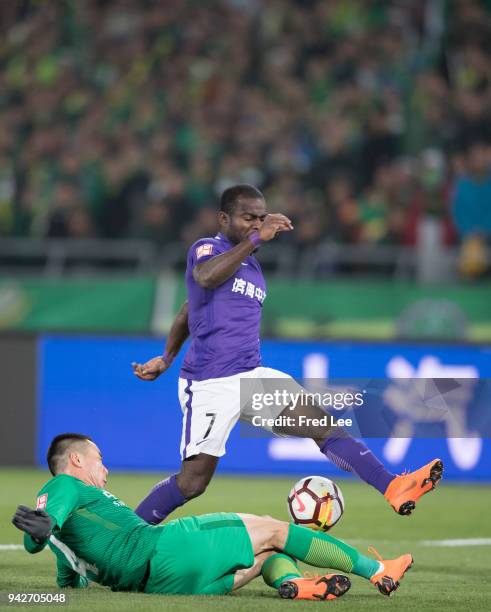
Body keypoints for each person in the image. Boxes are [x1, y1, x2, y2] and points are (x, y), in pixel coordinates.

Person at [132, 184, 443, 525]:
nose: (255, 224)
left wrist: (165, 356)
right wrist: (168, 358)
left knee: (325, 427)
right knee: (192, 483)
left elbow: (187, 312)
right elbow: (204, 279)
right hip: (210, 382)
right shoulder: (208, 248)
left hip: (252, 377)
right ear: (224, 218)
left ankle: (393, 486)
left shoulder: (251, 267)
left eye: (261, 218)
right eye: (247, 217)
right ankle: (122, 538)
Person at [12, 433, 413, 599]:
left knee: (265, 558)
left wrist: (42, 535)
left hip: (165, 587)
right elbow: (47, 521)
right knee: (274, 528)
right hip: (166, 550)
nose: (105, 469)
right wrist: (42, 529)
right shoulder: (65, 486)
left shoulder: (64, 534)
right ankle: (378, 569)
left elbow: (63, 569)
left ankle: (296, 585)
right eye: (100, 460)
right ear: (77, 459)